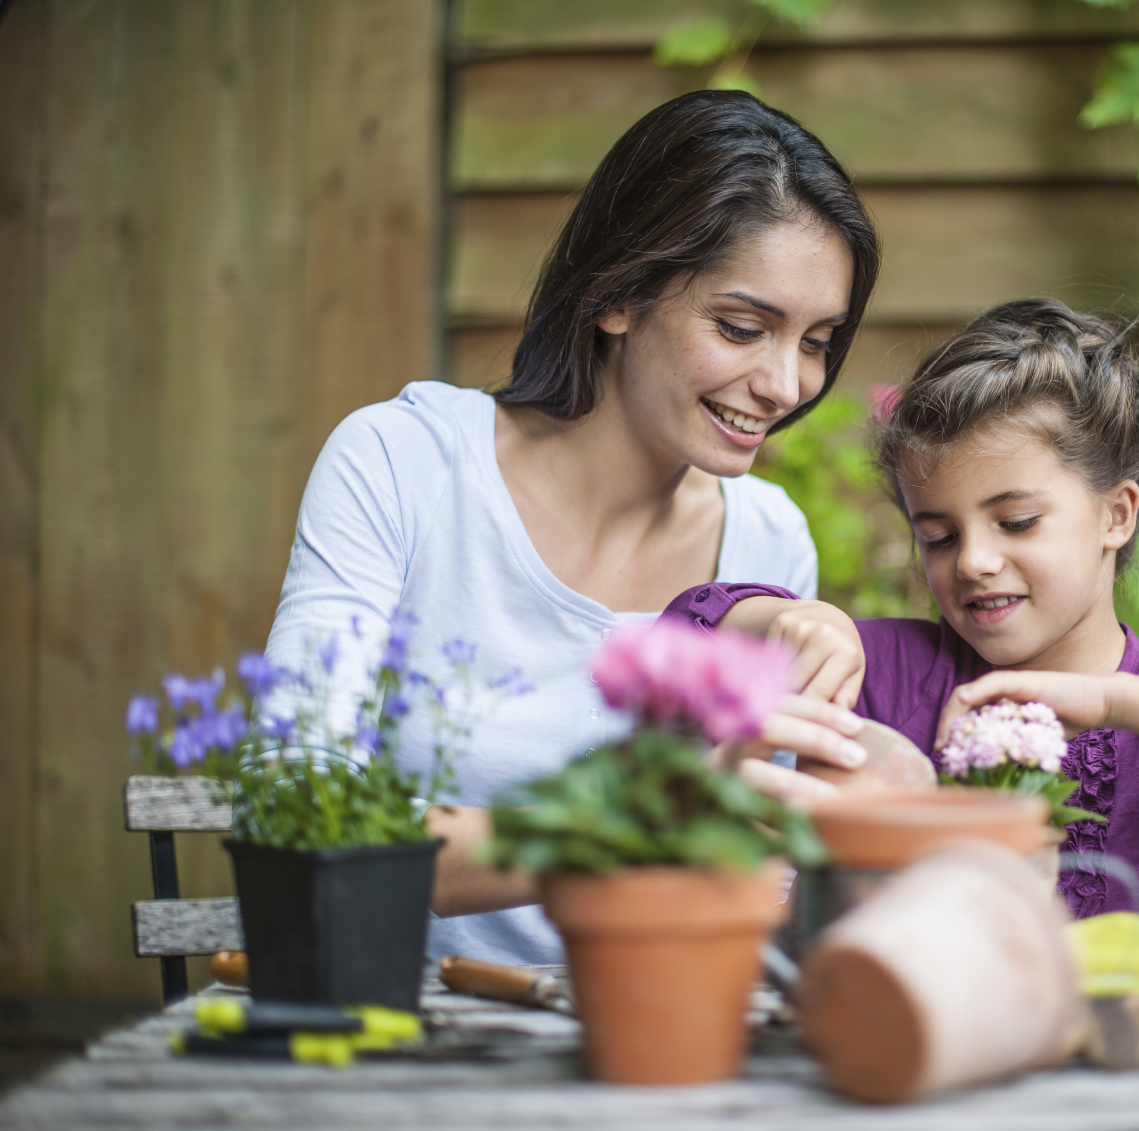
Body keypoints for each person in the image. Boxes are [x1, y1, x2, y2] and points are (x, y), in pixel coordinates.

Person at [262, 91, 892, 965]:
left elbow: (760, 866)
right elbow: (299, 820)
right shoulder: (403, 466)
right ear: (619, 294)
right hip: (398, 1043)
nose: (786, 386)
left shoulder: (768, 545)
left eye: (818, 341)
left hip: (651, 1045)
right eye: (743, 328)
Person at [666, 298, 1139, 920]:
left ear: (1117, 515)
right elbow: (674, 645)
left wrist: (1114, 699)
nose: (974, 560)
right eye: (939, 535)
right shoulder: (889, 670)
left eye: (1016, 522)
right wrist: (783, 618)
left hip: (1128, 1071)